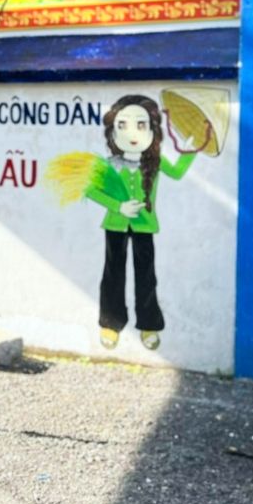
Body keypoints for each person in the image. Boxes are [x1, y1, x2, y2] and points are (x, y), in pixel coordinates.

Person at [85, 94, 194, 351]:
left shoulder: (155, 162)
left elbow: (178, 173)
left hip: (145, 225)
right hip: (115, 224)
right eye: (122, 125)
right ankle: (111, 323)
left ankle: (149, 323)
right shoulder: (109, 164)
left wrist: (188, 151)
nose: (132, 133)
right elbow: (89, 190)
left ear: (153, 130)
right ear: (113, 131)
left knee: (146, 274)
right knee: (113, 273)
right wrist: (118, 206)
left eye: (141, 124)